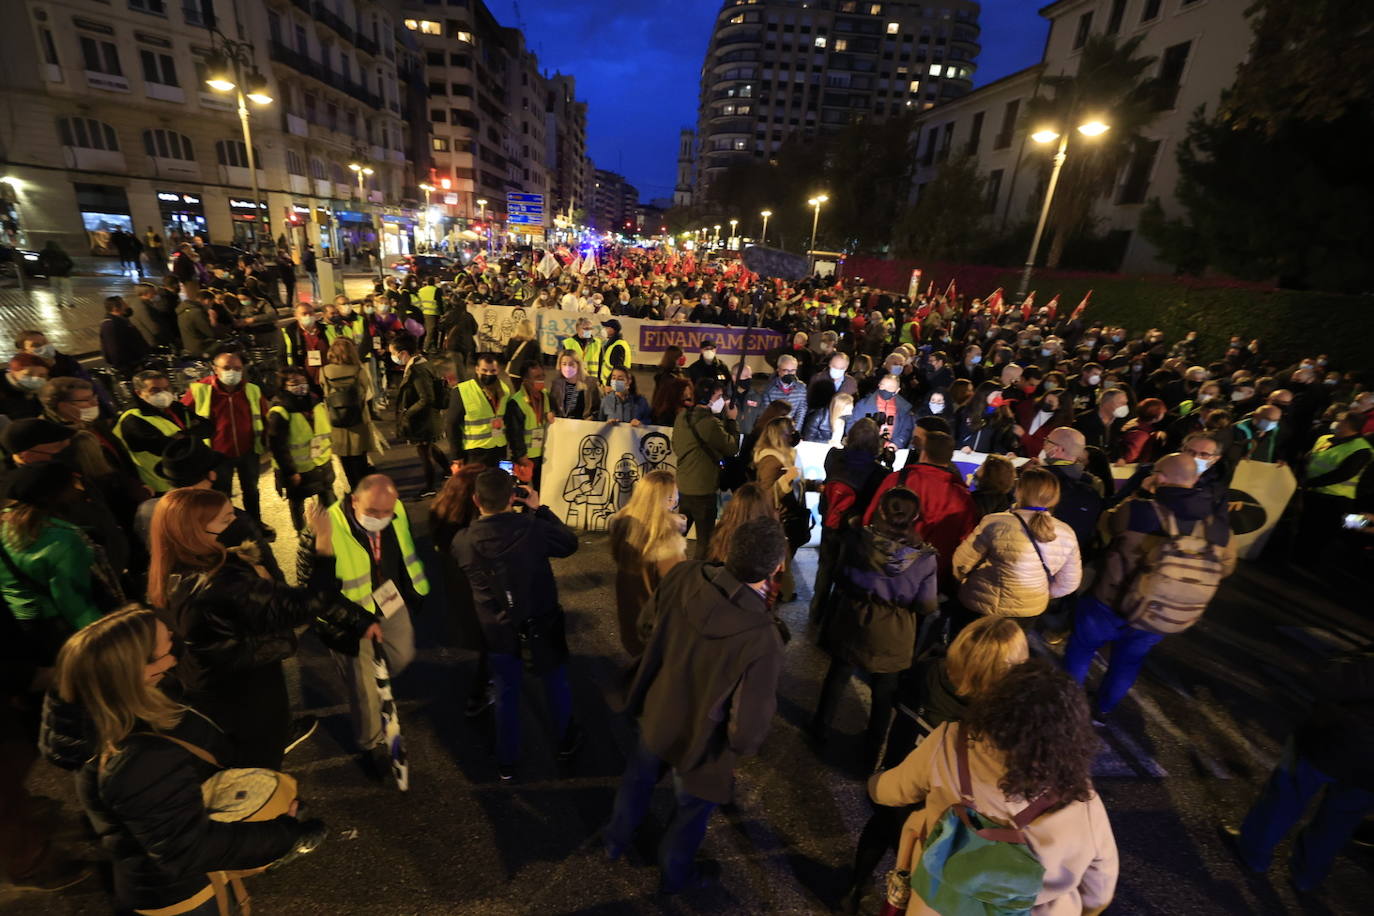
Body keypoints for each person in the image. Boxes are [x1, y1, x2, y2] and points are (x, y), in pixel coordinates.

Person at [41, 607, 329, 915]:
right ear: (135, 672)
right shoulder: (137, 760)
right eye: (167, 651)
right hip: (180, 898)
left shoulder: (119, 710)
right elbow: (188, 850)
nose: (177, 657)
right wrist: (286, 834)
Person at [606, 517, 788, 894]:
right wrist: (740, 748)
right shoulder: (762, 637)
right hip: (702, 741)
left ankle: (615, 842)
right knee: (690, 812)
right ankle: (674, 877)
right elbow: (746, 726)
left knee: (637, 779)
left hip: (657, 708)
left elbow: (645, 626)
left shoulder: (685, 574)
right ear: (774, 568)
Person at [149, 488, 378, 768]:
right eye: (226, 519)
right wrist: (324, 539)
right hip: (249, 696)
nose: (238, 523)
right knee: (260, 767)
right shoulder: (225, 585)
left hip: (211, 691)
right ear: (196, 531)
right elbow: (314, 600)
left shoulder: (171, 573)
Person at [868, 661, 1117, 916]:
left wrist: (873, 783)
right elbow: (1099, 889)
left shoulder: (952, 742)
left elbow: (890, 791)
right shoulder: (1080, 800)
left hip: (939, 901)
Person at [842, 617, 1029, 912]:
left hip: (899, 764)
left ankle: (856, 886)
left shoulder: (926, 672)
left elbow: (897, 699)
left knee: (882, 823)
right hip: (943, 803)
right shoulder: (992, 717)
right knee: (919, 853)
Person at [1063, 453, 1236, 718]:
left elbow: (1106, 523)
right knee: (1127, 662)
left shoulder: (1138, 511)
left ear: (1161, 478)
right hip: (1161, 608)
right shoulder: (1219, 526)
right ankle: (1102, 711)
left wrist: (1136, 495)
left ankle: (1066, 708)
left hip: (1109, 601)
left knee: (1082, 648)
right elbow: (1225, 567)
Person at [452, 469, 581, 781]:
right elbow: (569, 544)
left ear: (475, 500)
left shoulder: (464, 541)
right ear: (513, 497)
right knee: (555, 681)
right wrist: (539, 509)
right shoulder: (533, 528)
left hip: (497, 627)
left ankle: (506, 760)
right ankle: (565, 742)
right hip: (541, 620)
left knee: (507, 692)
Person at [301, 474, 430, 778]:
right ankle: (371, 745)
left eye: (388, 512)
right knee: (363, 690)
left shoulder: (393, 511)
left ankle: (378, 684)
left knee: (400, 655)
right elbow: (316, 595)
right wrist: (360, 622)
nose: (382, 519)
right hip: (346, 619)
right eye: (374, 513)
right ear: (354, 500)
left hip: (387, 599)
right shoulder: (321, 531)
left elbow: (403, 552)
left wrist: (412, 593)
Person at [1222, 647, 1374, 892]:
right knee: (1341, 818)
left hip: (1338, 740)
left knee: (1288, 792)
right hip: (1368, 771)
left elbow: (1333, 679)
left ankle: (1254, 852)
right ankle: (1307, 875)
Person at [809, 487, 939, 761]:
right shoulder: (924, 559)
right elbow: (926, 605)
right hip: (895, 629)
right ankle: (872, 747)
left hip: (852, 618)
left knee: (838, 675)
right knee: (884, 691)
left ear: (881, 510)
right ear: (915, 516)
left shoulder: (857, 541)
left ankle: (819, 731)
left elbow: (839, 576)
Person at [0, 463, 107, 660]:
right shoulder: (63, 541)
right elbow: (74, 603)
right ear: (56, 494)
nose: (77, 488)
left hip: (29, 627)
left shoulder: (6, 529)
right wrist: (106, 640)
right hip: (66, 629)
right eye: (72, 484)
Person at [953, 467, 1082, 625]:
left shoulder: (994, 522)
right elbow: (1069, 583)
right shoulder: (1067, 533)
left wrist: (962, 582)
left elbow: (960, 563)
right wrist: (1039, 595)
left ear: (1019, 491)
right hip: (1028, 613)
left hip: (981, 605)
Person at [863, 431, 977, 592]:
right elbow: (967, 542)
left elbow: (869, 519)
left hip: (885, 569)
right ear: (950, 456)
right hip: (930, 579)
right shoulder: (962, 496)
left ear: (923, 452)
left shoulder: (897, 480)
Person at [429, 465, 494, 718]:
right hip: (480, 598)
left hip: (459, 595)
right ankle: (479, 695)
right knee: (492, 645)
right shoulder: (473, 534)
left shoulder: (444, 517)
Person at [182, 349, 270, 531]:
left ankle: (256, 523)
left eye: (237, 368)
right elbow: (181, 417)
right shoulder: (200, 390)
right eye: (227, 367)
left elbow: (264, 416)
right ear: (215, 369)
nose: (233, 372)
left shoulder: (252, 390)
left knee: (251, 490)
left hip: (248, 451)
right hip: (216, 455)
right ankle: (229, 528)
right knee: (223, 495)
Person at [811, 418, 888, 619]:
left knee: (825, 566)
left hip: (830, 518)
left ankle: (816, 611)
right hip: (854, 526)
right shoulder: (878, 471)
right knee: (845, 570)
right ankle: (833, 617)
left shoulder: (833, 456)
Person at [607, 469, 687, 656]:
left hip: (630, 616)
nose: (675, 502)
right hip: (655, 627)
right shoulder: (666, 542)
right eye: (672, 497)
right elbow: (676, 590)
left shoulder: (625, 527)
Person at [672, 377, 741, 560]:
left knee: (679, 533)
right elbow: (731, 447)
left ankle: (666, 565)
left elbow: (677, 446)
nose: (722, 400)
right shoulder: (709, 423)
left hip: (685, 484)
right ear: (708, 397)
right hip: (703, 488)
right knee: (705, 538)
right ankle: (697, 574)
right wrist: (732, 421)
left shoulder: (682, 417)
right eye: (719, 396)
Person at [113, 370, 210, 495]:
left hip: (189, 476)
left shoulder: (174, 407)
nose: (163, 393)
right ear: (139, 393)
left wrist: (182, 436)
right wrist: (192, 433)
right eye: (155, 390)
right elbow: (166, 448)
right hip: (163, 485)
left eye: (166, 388)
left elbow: (208, 428)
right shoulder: (133, 420)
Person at [1295, 410, 1371, 564]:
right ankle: (1297, 557)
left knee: (1325, 531)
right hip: (1312, 493)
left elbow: (1343, 474)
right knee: (1305, 527)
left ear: (1348, 424)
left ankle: (1310, 562)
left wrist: (1306, 483)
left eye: (1339, 420)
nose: (1335, 422)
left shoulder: (1362, 449)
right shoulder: (1325, 438)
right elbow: (1309, 458)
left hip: (1335, 499)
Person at [265, 367, 336, 533]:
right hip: (299, 471)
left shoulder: (315, 403)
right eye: (295, 382)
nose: (301, 386)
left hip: (322, 465)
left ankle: (333, 531)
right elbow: (277, 446)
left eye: (303, 381)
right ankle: (303, 533)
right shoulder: (280, 411)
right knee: (298, 504)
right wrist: (290, 472)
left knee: (330, 502)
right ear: (284, 386)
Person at [389, 333, 445, 498]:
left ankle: (430, 486)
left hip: (423, 419)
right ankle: (448, 471)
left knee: (424, 452)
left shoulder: (417, 370)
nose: (393, 357)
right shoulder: (422, 362)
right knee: (429, 447)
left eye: (394, 353)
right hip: (427, 417)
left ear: (403, 353)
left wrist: (408, 413)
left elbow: (426, 398)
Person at [321, 336, 378, 490]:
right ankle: (365, 490)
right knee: (360, 458)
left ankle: (354, 490)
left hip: (336, 421)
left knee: (345, 460)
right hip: (358, 419)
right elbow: (366, 393)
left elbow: (325, 393)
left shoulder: (324, 371)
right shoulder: (358, 370)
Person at [447, 352, 514, 471]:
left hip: (498, 448)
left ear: (498, 370)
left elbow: (507, 419)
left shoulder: (504, 390)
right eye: (484, 370)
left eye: (492, 371)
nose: (488, 374)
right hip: (475, 452)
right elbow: (452, 426)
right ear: (477, 369)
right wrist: (456, 456)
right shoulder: (462, 391)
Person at [852, 372, 915, 451]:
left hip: (890, 450)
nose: (885, 390)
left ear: (897, 390)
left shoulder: (904, 408)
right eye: (883, 385)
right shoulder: (863, 405)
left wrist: (897, 444)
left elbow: (906, 429)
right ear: (878, 385)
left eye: (890, 387)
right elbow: (854, 425)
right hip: (865, 448)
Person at [99, 296, 150, 377]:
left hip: (136, 363)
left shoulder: (121, 320)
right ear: (116, 308)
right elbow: (114, 350)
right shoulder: (110, 324)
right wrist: (127, 367)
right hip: (129, 367)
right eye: (124, 304)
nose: (127, 306)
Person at [280, 305, 330, 385]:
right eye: (304, 314)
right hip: (303, 377)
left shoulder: (325, 329)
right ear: (296, 316)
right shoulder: (289, 333)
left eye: (311, 313)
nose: (308, 316)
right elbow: (282, 356)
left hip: (327, 375)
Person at [761, 353, 808, 431]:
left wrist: (795, 430)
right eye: (786, 370)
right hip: (774, 430)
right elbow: (767, 413)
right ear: (778, 370)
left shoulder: (801, 388)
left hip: (792, 430)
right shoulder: (769, 389)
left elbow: (801, 410)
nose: (789, 373)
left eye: (792, 370)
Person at [550, 350, 599, 420]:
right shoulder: (556, 384)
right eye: (564, 364)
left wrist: (591, 418)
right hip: (562, 426)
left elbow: (599, 408)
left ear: (578, 365)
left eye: (571, 364)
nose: (567, 367)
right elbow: (552, 407)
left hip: (584, 426)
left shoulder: (591, 383)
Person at [0, 353, 49, 420]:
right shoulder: (4, 392)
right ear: (12, 371)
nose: (36, 378)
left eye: (41, 375)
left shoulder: (41, 393)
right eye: (29, 374)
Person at [598, 318, 633, 384]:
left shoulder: (617, 346)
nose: (604, 330)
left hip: (613, 385)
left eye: (606, 327)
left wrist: (610, 385)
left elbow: (617, 370)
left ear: (612, 330)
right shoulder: (615, 343)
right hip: (611, 384)